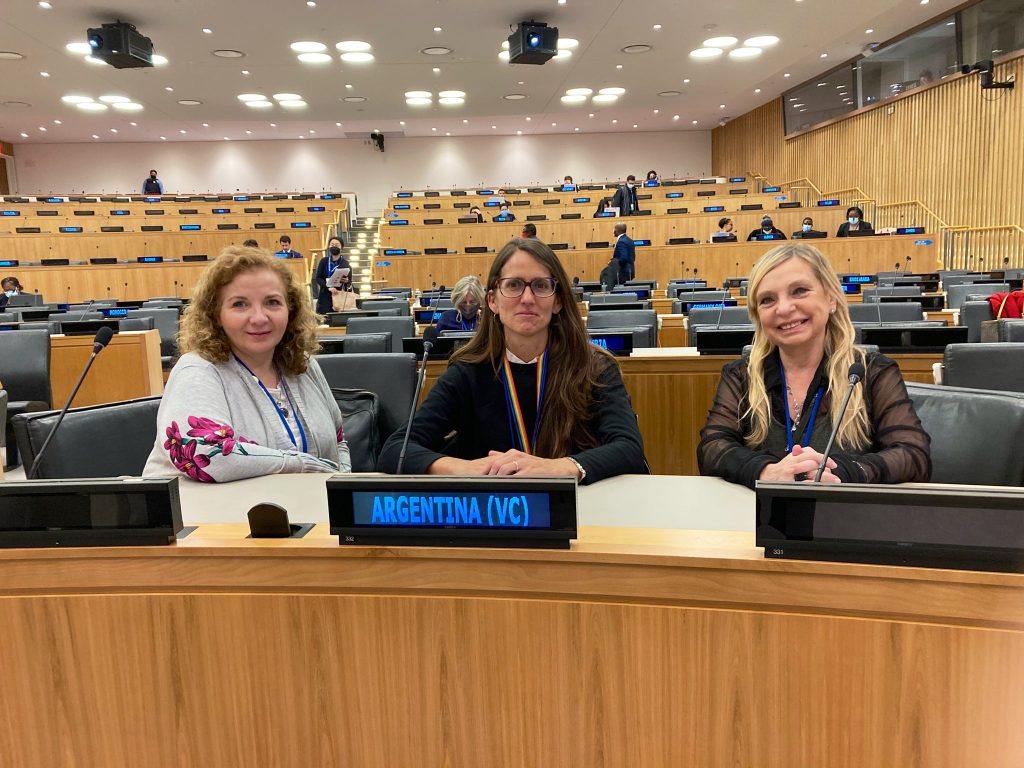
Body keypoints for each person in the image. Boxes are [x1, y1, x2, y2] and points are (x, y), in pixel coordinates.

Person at [377, 237, 647, 483]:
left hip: (579, 508)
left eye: (541, 286)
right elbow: (395, 450)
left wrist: (562, 467)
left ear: (558, 302)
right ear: (492, 301)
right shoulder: (467, 371)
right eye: (514, 285)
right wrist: (465, 468)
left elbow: (629, 448)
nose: (527, 298)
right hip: (494, 512)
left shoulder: (595, 367)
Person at [697, 243, 930, 489]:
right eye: (767, 300)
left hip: (842, 509)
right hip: (762, 510)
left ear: (831, 298)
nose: (784, 308)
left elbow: (913, 454)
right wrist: (767, 471)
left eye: (799, 291)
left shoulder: (872, 372)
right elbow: (712, 446)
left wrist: (841, 472)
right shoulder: (740, 375)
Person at [144, 246, 352, 482]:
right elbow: (207, 453)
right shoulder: (197, 369)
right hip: (206, 507)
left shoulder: (305, 365)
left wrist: (343, 484)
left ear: (290, 310)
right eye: (240, 304)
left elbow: (338, 440)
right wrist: (305, 466)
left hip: (304, 505)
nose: (259, 318)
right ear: (216, 315)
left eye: (272, 302)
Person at [313, 236, 352, 315]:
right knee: (324, 318)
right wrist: (329, 287)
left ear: (342, 247)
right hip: (325, 296)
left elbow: (349, 282)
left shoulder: (346, 264)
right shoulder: (324, 261)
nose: (334, 246)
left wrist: (346, 281)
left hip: (339, 296)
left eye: (337, 245)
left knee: (338, 319)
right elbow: (318, 278)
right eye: (332, 244)